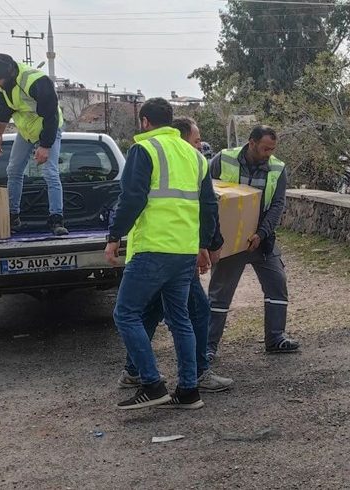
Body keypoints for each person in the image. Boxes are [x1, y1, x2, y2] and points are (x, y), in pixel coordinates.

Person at [104, 98, 216, 410]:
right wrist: (203, 245)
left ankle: (152, 383)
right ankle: (189, 391)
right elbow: (209, 204)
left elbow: (132, 198)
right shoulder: (195, 157)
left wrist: (114, 236)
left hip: (153, 247)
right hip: (183, 250)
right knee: (180, 318)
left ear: (144, 121)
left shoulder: (145, 149)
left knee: (125, 313)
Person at [117, 116, 233, 393]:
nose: (199, 146)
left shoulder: (158, 156)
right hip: (170, 252)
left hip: (159, 250)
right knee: (188, 313)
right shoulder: (178, 158)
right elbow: (205, 208)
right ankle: (189, 379)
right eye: (195, 140)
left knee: (152, 311)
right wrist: (207, 244)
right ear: (180, 140)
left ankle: (138, 374)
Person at [206, 125, 299, 358]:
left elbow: (277, 205)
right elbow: (206, 193)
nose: (269, 153)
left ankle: (275, 338)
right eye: (265, 148)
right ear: (252, 142)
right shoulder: (222, 159)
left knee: (277, 283)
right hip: (229, 241)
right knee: (220, 293)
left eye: (272, 149)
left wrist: (261, 234)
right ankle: (207, 347)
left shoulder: (277, 169)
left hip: (262, 240)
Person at [0, 53, 68, 235]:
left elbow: (51, 116)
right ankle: (13, 217)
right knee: (13, 170)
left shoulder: (36, 81)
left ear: (9, 73)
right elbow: (4, 111)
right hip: (25, 131)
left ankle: (56, 219)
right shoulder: (0, 86)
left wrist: (45, 146)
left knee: (50, 171)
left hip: (47, 128)